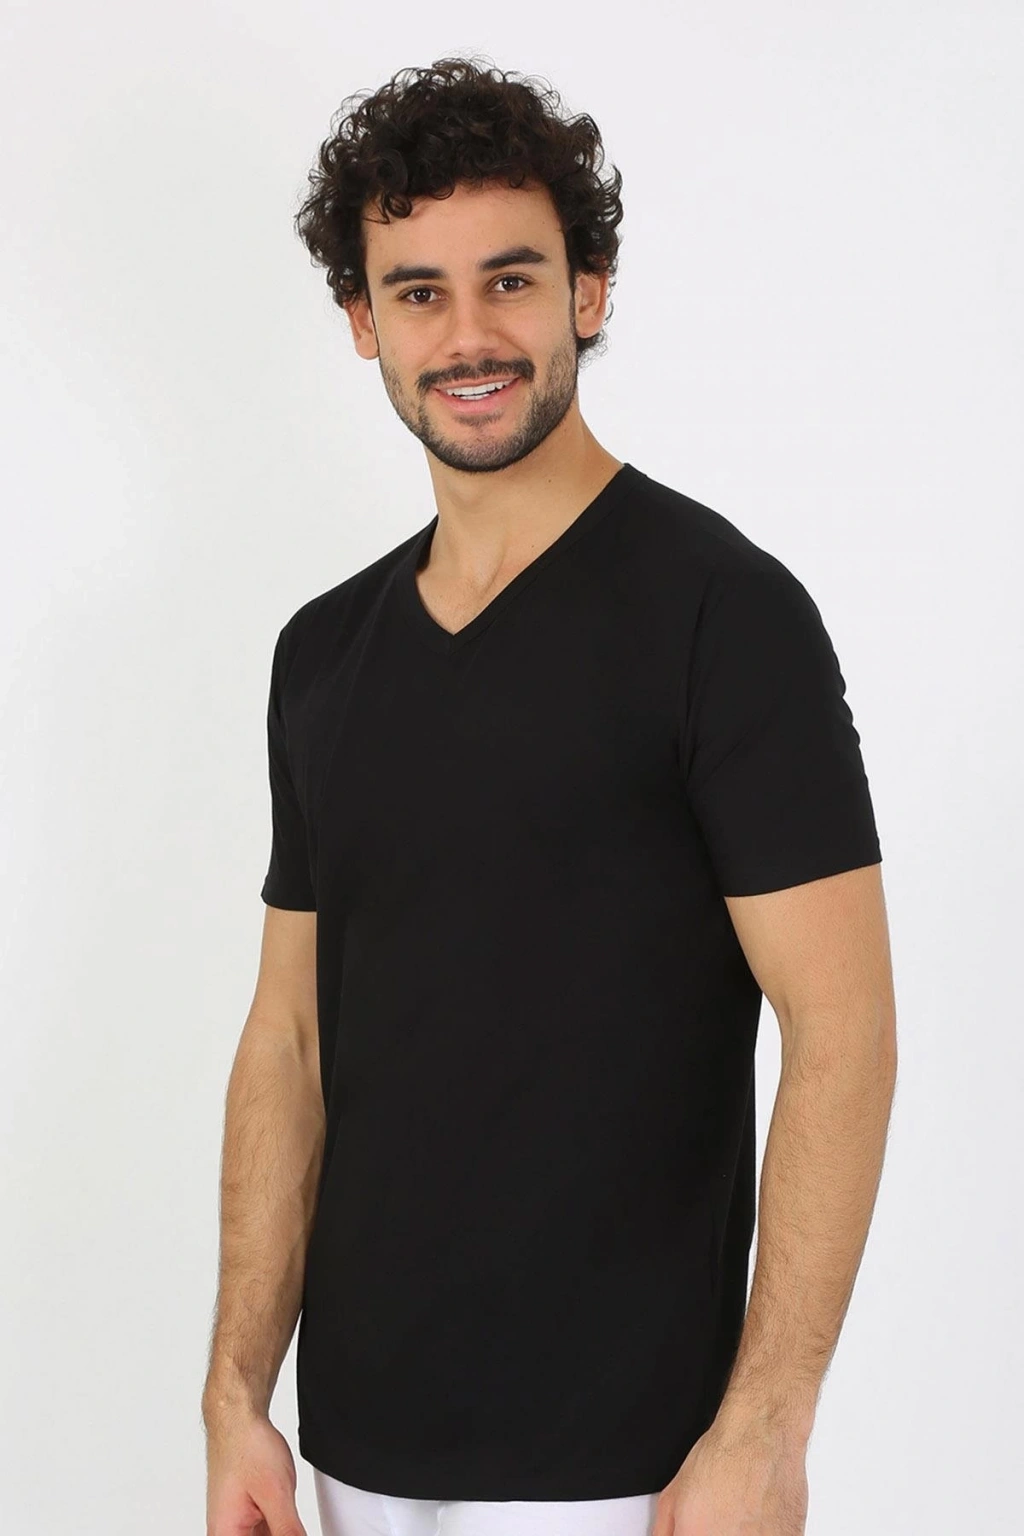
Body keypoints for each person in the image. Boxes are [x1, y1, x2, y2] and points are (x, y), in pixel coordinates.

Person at [202, 56, 897, 1536]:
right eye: (419, 292)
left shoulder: (724, 615)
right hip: (355, 1449)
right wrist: (236, 1394)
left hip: (633, 1464)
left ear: (588, 291)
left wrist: (766, 1431)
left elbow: (843, 1030)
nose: (469, 335)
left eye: (510, 281)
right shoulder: (322, 653)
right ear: (363, 321)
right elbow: (288, 1037)